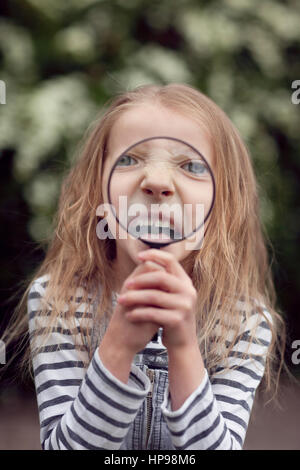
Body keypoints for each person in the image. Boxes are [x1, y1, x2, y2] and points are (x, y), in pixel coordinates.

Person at [3, 83, 286, 450]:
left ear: (221, 209)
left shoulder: (243, 322)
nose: (155, 181)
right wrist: (118, 345)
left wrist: (183, 346)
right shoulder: (60, 305)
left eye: (191, 165)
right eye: (130, 159)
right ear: (97, 193)